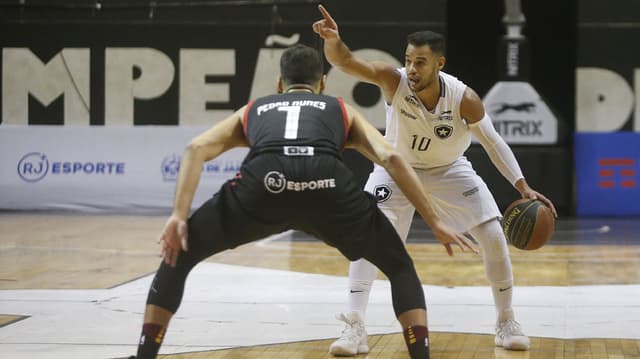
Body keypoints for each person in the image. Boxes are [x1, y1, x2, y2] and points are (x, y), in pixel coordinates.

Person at [129, 44, 477, 359]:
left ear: (280, 84)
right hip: (327, 187)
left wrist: (178, 215)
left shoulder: (255, 108)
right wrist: (434, 221)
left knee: (179, 254)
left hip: (265, 185)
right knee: (399, 266)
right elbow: (394, 159)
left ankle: (146, 354)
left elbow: (195, 149)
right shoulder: (340, 108)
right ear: (322, 84)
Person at [313, 4, 558, 355]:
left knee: (492, 235)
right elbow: (347, 62)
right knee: (368, 237)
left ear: (439, 63)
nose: (412, 68)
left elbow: (492, 142)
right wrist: (333, 42)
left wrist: (522, 185)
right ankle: (354, 326)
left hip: (449, 170)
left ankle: (506, 320)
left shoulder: (464, 98)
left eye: (420, 62)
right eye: (409, 60)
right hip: (395, 168)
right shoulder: (393, 80)